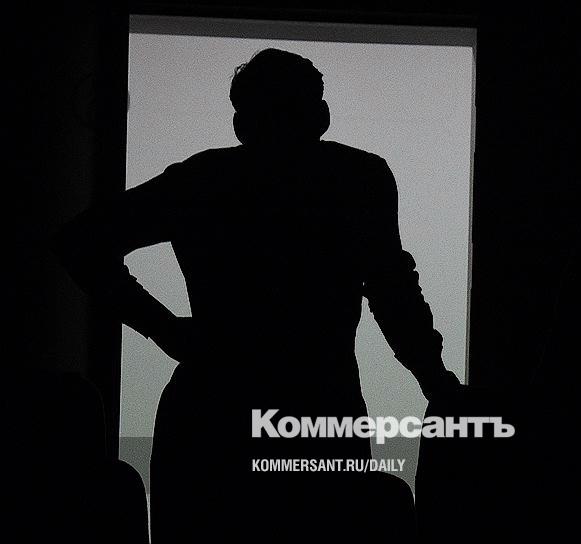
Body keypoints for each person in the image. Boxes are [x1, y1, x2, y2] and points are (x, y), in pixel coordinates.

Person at [54, 47, 458, 542]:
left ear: (242, 124)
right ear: (320, 115)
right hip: (319, 409)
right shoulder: (358, 179)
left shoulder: (201, 182)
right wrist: (437, 382)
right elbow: (393, 292)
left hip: (212, 415)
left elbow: (80, 242)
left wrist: (167, 331)